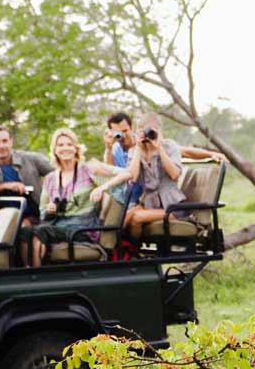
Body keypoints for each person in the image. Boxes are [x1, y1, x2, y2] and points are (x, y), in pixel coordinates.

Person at [27, 128, 128, 267]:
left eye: (69, 144)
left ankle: (36, 278)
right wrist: (51, 210)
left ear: (76, 148)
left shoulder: (87, 170)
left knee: (40, 232)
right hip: (57, 227)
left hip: (82, 230)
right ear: (55, 150)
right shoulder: (50, 178)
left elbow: (126, 174)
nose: (65, 148)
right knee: (25, 232)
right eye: (60, 145)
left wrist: (102, 187)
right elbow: (43, 213)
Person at [122, 114, 189, 244]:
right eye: (143, 131)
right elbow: (133, 178)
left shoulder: (169, 146)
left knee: (137, 217)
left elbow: (174, 174)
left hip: (172, 207)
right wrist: (138, 149)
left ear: (158, 130)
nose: (147, 135)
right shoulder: (135, 151)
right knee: (125, 217)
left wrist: (159, 149)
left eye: (151, 131)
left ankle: (133, 253)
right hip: (149, 204)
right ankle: (119, 253)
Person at [0, 125, 54, 222]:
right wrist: (4, 186)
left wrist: (50, 197)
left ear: (11, 141)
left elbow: (59, 174)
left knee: (22, 227)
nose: (1, 146)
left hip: (32, 214)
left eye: (4, 141)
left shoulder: (31, 159)